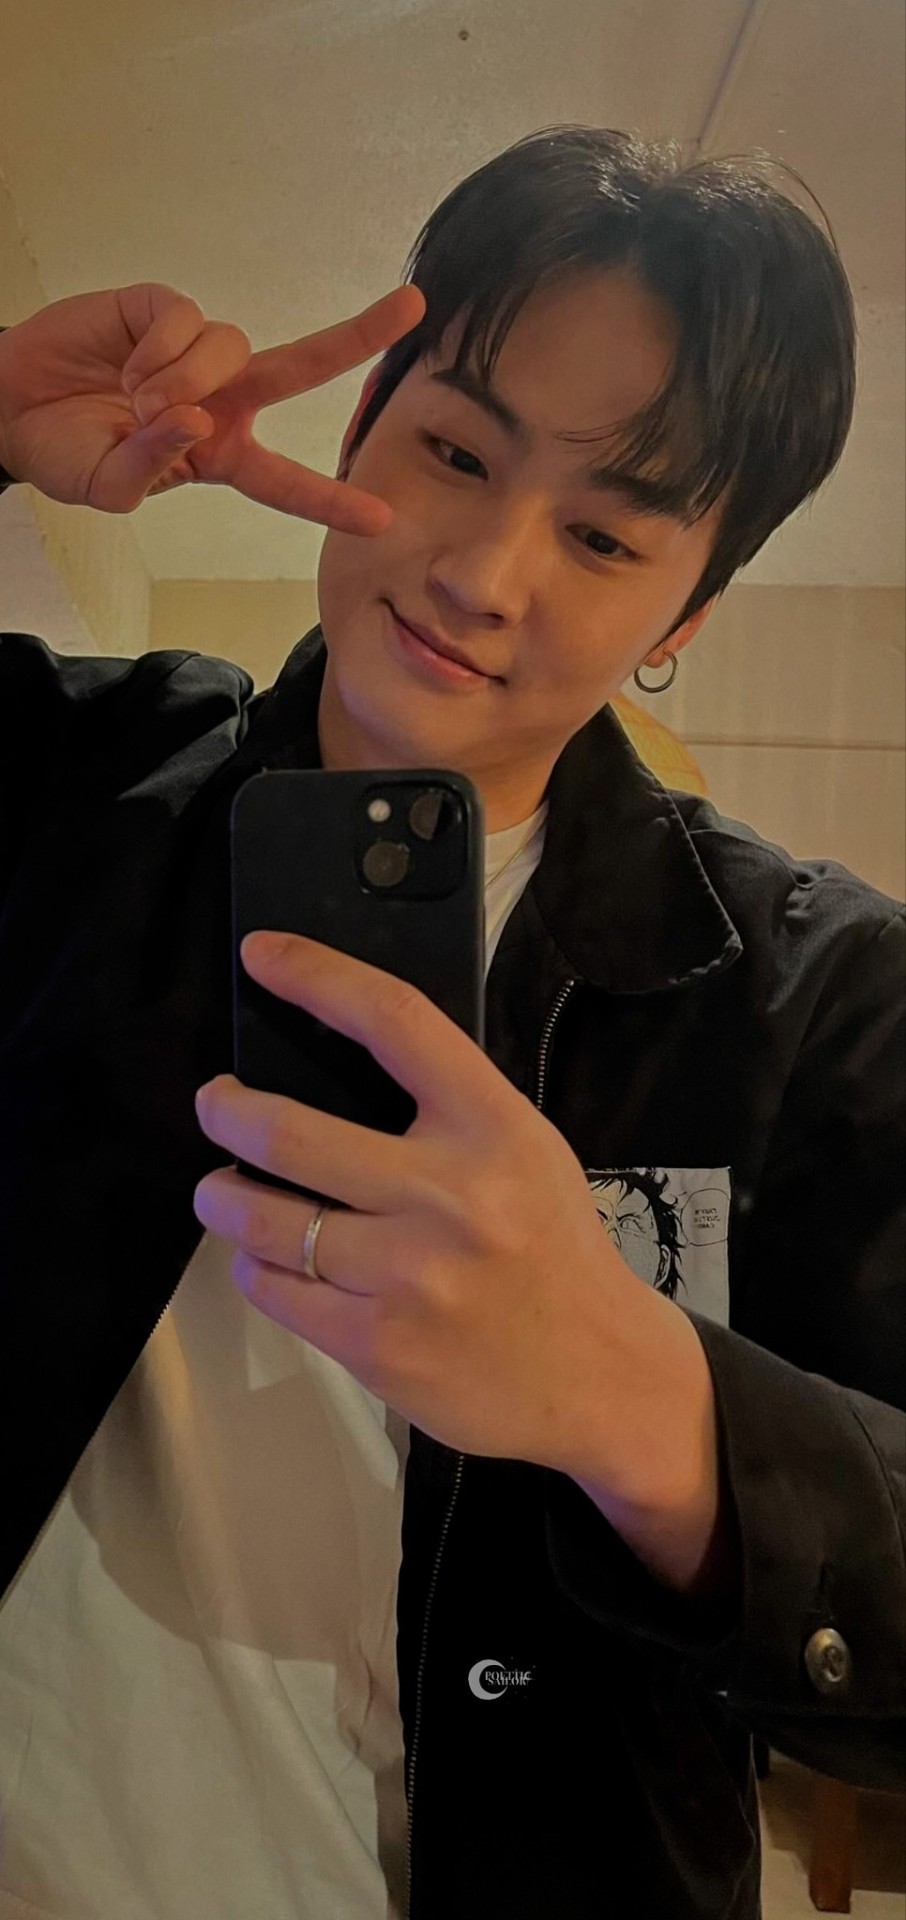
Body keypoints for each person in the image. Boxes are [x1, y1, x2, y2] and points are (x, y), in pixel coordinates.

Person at [0, 126, 903, 1920]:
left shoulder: (815, 994)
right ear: (357, 429)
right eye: (455, 452)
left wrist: (648, 1405)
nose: (485, 572)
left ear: (686, 607)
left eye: (602, 533)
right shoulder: (68, 787)